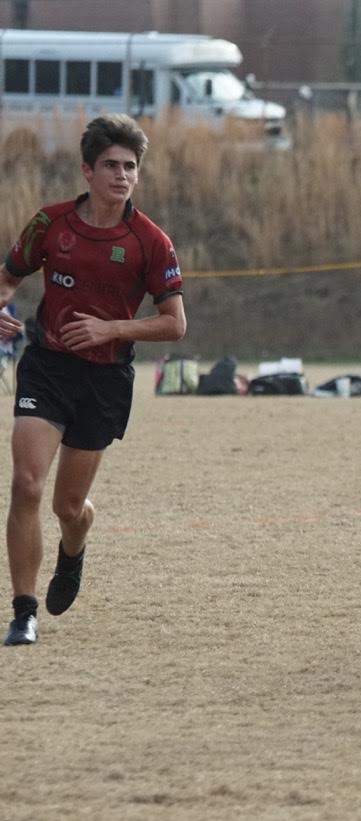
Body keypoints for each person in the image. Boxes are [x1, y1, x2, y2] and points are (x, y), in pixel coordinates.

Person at [2, 114, 187, 646]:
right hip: (48, 366)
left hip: (104, 380)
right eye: (111, 165)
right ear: (87, 170)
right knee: (25, 483)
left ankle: (74, 548)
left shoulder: (151, 241)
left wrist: (111, 327)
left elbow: (175, 324)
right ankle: (23, 611)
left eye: (131, 166)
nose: (122, 175)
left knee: (68, 507)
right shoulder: (49, 225)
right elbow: (8, 278)